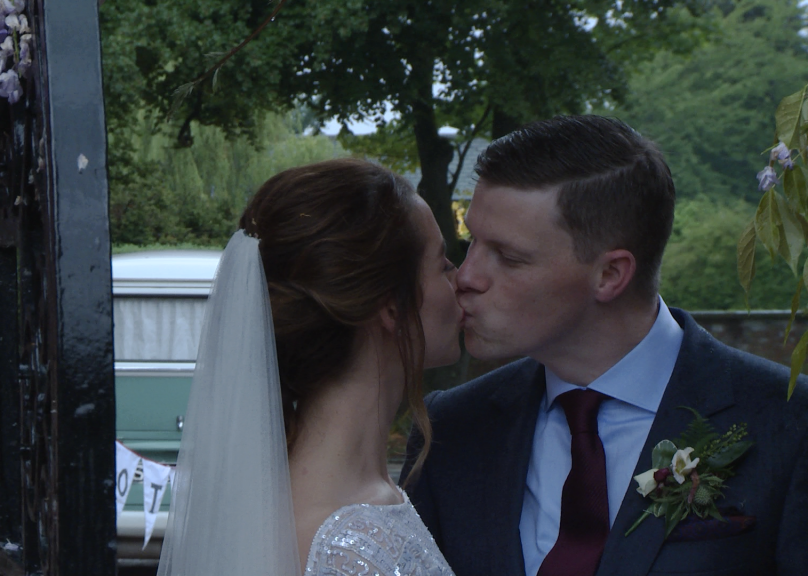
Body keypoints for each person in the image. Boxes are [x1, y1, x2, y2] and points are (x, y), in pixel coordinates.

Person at [400, 114, 808, 576]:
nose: (467, 277)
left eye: (509, 258)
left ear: (610, 274)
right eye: (472, 242)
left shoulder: (789, 423)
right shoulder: (449, 429)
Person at [157, 158, 462, 576]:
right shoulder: (343, 549)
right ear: (391, 305)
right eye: (443, 265)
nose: (460, 280)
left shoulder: (343, 499)